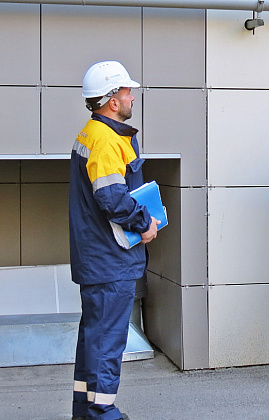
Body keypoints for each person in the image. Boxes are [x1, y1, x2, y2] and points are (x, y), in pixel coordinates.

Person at [69, 60, 159, 420]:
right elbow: (112, 200)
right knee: (107, 342)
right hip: (110, 260)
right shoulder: (106, 142)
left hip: (97, 257)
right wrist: (145, 223)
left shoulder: (92, 134)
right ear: (111, 100)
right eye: (125, 91)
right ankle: (101, 413)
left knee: (94, 339)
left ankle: (85, 409)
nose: (131, 96)